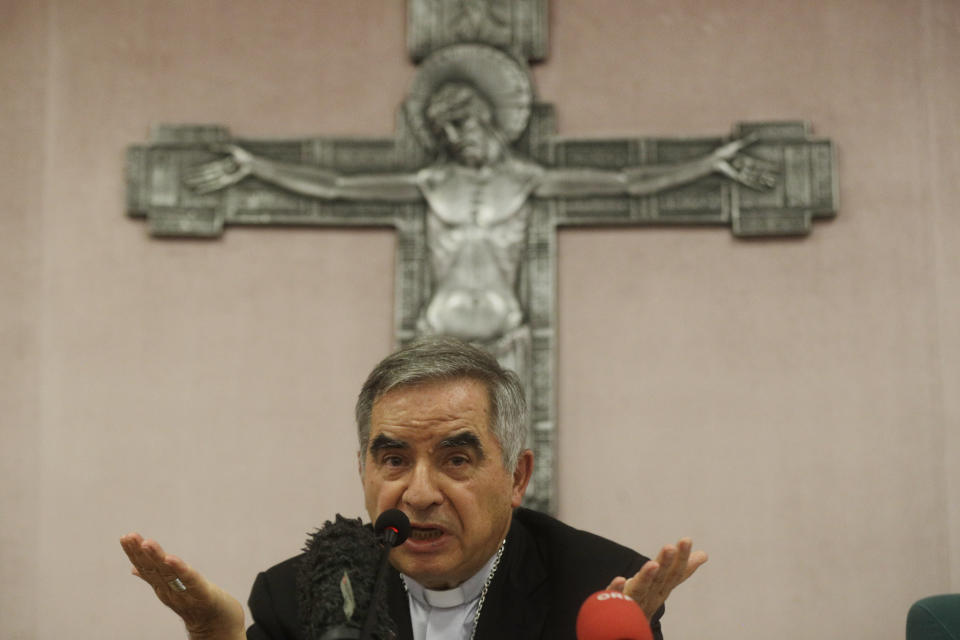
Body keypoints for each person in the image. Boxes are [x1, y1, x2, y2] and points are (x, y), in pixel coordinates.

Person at [184, 78, 776, 391]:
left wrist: (710, 164)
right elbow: (338, 186)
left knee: (506, 471)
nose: (456, 137)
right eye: (445, 129)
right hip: (436, 333)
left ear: (488, 119)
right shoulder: (429, 180)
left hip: (507, 337)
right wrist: (256, 167)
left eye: (462, 123)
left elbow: (627, 183)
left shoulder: (529, 179)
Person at [120, 336, 708, 639]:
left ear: (518, 477)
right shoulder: (296, 597)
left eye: (455, 459)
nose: (419, 493)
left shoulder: (596, 589)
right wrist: (216, 637)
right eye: (394, 460)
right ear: (363, 471)